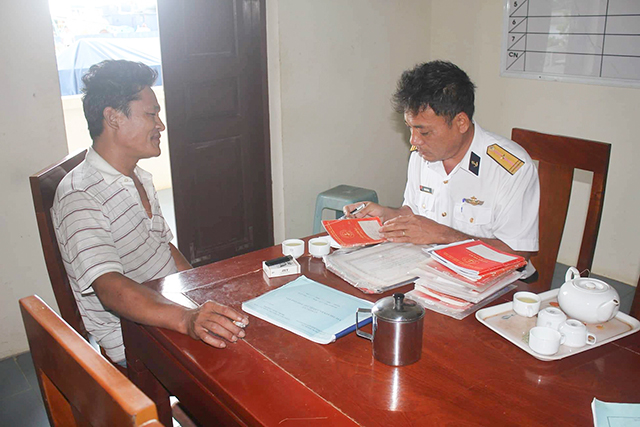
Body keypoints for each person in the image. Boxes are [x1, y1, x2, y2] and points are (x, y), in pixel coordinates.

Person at [51, 60, 248, 365]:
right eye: (151, 114)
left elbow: (164, 247)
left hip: (169, 309)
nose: (161, 125)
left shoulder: (137, 176)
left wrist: (201, 293)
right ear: (113, 118)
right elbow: (109, 287)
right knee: (248, 367)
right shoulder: (81, 194)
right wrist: (186, 319)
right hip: (136, 339)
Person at [344, 60, 539, 276]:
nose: (414, 141)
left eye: (424, 132)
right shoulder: (422, 154)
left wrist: (444, 235)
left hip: (493, 279)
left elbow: (517, 253)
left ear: (461, 123)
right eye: (410, 128)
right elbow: (414, 213)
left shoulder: (509, 169)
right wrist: (387, 215)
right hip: (432, 272)